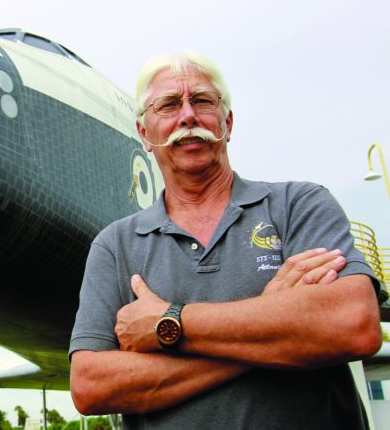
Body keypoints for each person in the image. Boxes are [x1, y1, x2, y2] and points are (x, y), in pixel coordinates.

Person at [68, 51, 382, 429]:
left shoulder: (298, 204)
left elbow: (354, 324)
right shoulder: (115, 245)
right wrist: (274, 326)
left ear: (227, 122)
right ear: (144, 134)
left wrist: (169, 323)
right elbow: (90, 387)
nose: (187, 116)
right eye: (168, 105)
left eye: (202, 101)